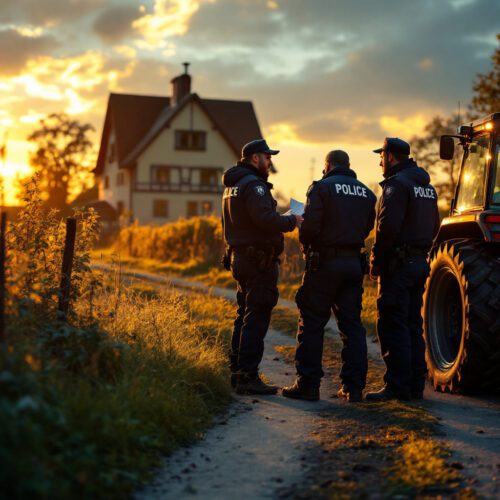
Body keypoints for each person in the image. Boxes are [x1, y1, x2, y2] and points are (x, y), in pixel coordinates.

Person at [282, 150, 376, 402]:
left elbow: (309, 230)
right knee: (352, 326)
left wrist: (306, 235)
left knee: (312, 323)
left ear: (328, 165)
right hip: (353, 265)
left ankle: (308, 385)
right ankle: (354, 387)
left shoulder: (321, 188)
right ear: (348, 164)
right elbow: (368, 227)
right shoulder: (367, 192)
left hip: (323, 265)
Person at [222, 139, 302, 395]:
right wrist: (293, 220)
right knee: (255, 318)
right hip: (257, 262)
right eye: (267, 157)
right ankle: (248, 377)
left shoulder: (232, 186)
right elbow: (264, 219)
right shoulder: (253, 186)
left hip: (241, 258)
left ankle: (237, 372)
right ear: (255, 158)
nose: (270, 162)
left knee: (243, 314)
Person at [366, 137, 440, 402]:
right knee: (411, 323)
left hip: (397, 265)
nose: (379, 162)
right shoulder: (427, 187)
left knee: (392, 323)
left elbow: (387, 228)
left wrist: (377, 260)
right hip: (419, 262)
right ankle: (414, 386)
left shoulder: (396, 186)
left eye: (381, 156)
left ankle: (397, 386)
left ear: (390, 156)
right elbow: (434, 226)